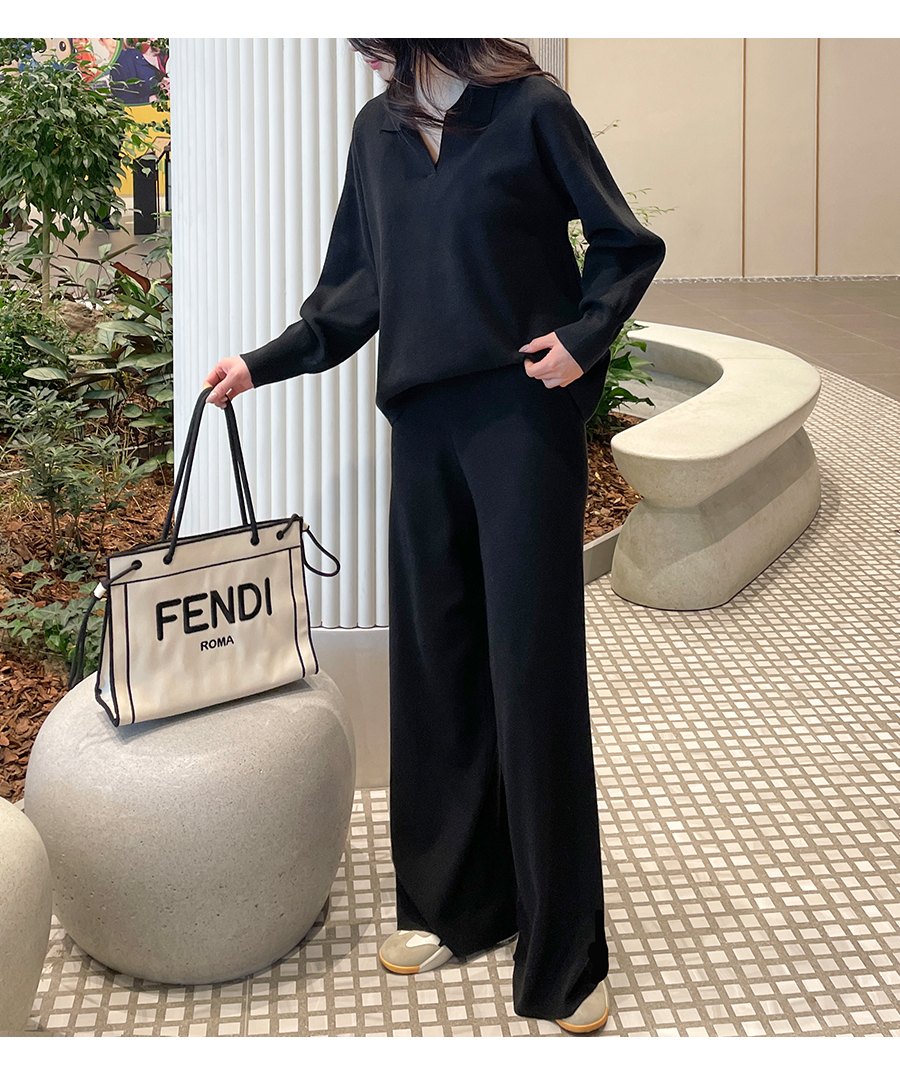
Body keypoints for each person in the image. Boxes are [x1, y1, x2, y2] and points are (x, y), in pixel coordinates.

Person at [203, 38, 666, 1034]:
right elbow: (356, 290)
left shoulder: (533, 109)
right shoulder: (375, 132)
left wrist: (582, 338)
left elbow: (626, 244)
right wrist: (260, 362)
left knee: (530, 671)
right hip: (421, 425)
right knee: (436, 661)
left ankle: (566, 956)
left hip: (521, 421)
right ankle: (453, 904)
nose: (366, 54)